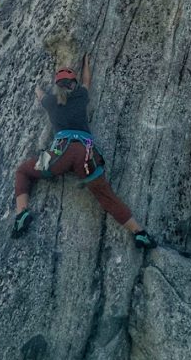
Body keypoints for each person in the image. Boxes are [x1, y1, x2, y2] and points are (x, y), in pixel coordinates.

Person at [12, 39, 156, 249]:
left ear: (57, 86)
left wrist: (34, 85)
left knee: (23, 171)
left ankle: (22, 214)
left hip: (58, 154)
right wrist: (87, 63)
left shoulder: (51, 102)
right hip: (86, 155)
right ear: (73, 84)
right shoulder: (80, 96)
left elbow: (40, 94)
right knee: (105, 194)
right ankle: (139, 232)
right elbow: (87, 82)